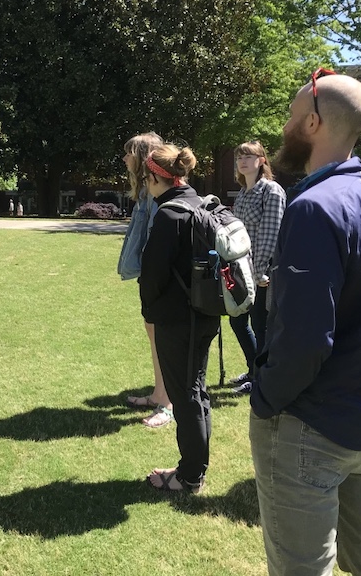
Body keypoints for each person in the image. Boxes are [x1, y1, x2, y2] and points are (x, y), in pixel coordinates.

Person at [249, 72, 361, 576]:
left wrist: (266, 399)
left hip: (309, 424)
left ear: (314, 122)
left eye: (291, 114)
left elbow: (304, 339)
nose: (285, 125)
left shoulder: (313, 208)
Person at [140, 143, 220, 492]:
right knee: (196, 391)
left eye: (146, 177)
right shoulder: (200, 204)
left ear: (157, 177)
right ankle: (193, 468)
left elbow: (153, 275)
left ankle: (189, 476)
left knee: (186, 396)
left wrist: (149, 311)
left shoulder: (169, 214)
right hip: (206, 313)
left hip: (178, 320)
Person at [117, 132, 173, 428]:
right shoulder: (144, 192)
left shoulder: (157, 192)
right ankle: (158, 394)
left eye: (129, 153)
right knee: (153, 334)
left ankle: (166, 403)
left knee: (161, 337)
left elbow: (158, 237)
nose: (125, 159)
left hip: (159, 278)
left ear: (142, 156)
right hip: (150, 276)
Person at [226, 141, 286, 396]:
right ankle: (254, 369)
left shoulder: (270, 191)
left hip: (263, 273)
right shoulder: (243, 192)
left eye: (249, 156)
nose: (243, 161)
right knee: (237, 320)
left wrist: (258, 271)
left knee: (260, 325)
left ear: (262, 161)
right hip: (240, 269)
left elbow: (270, 235)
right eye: (240, 157)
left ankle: (261, 378)